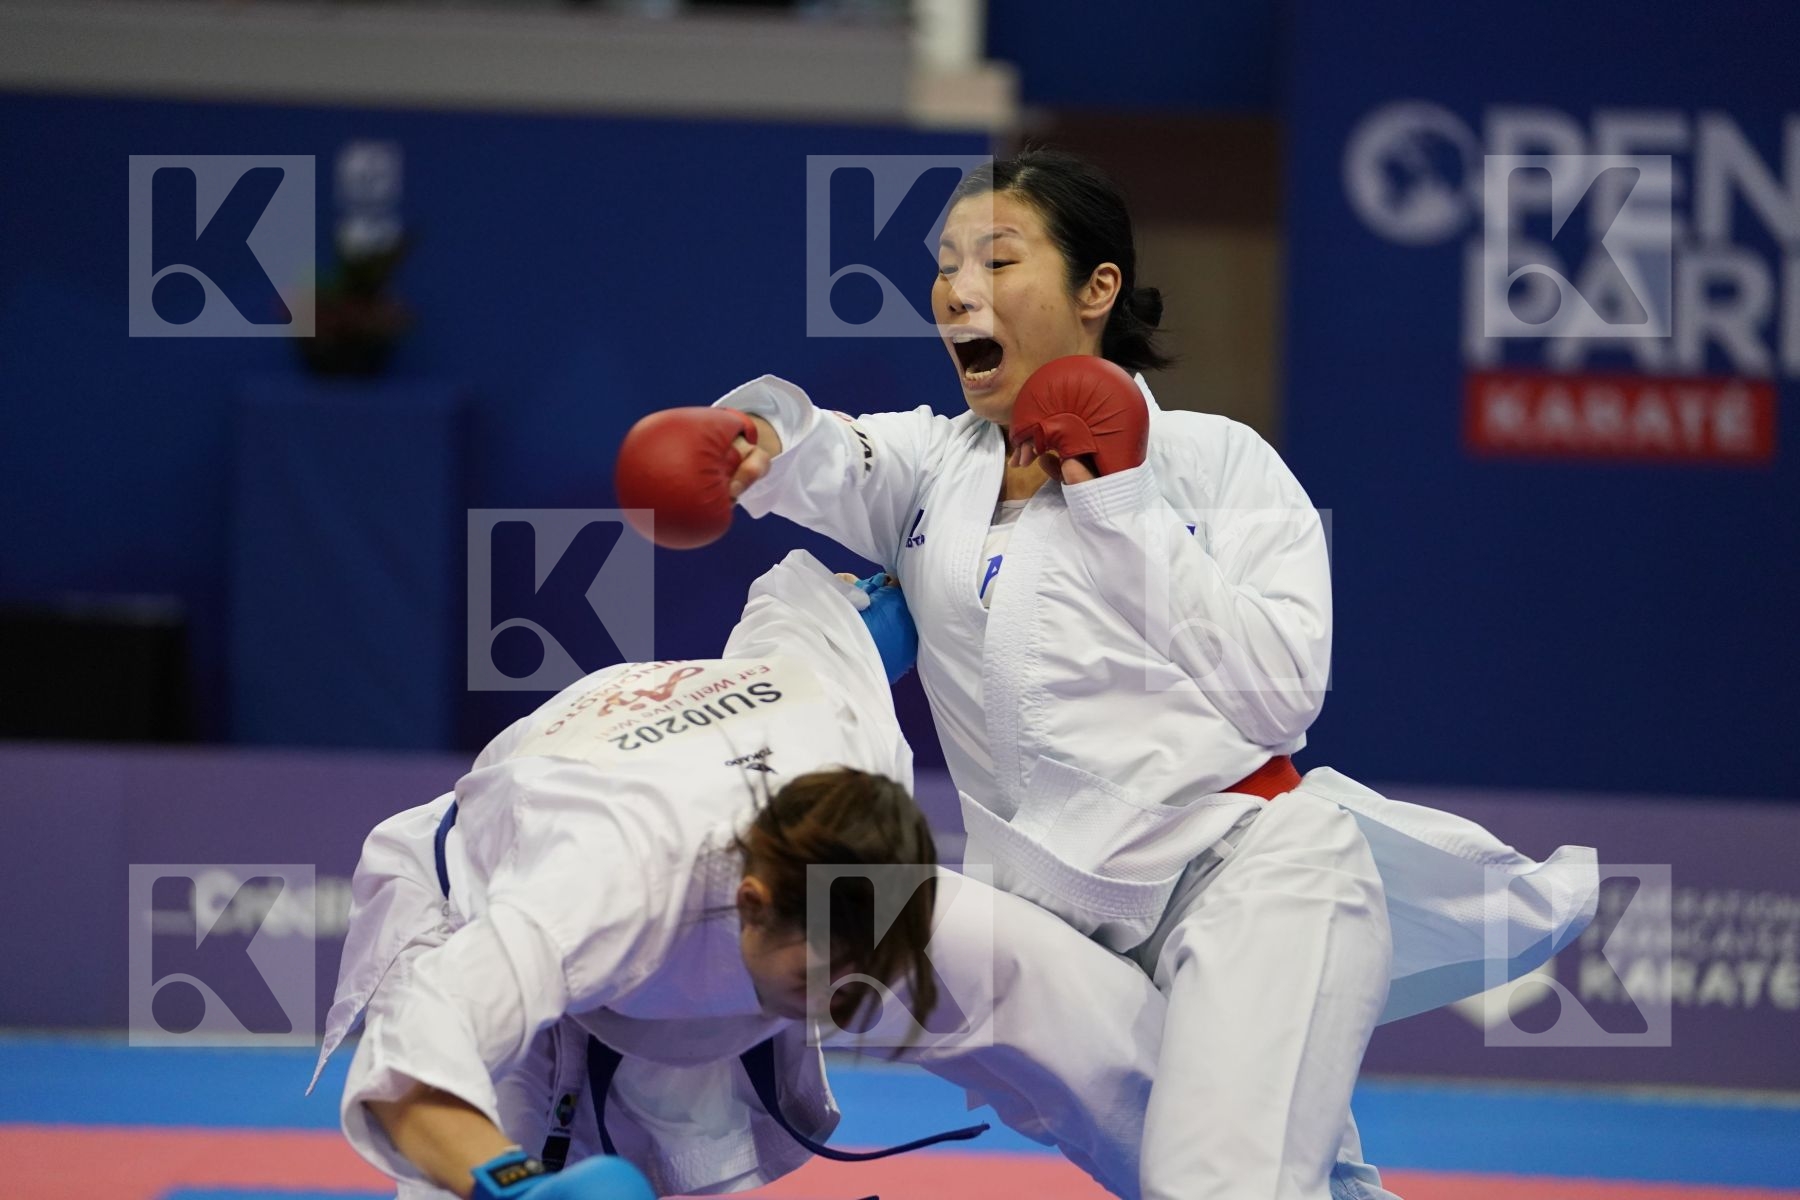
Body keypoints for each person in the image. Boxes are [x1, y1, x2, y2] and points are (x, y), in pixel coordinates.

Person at [622, 150, 1598, 1200]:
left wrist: (1122, 501)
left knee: (1217, 1187)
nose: (956, 289)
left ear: (1099, 290)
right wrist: (754, 439)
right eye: (945, 265)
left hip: (1256, 879)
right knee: (852, 914)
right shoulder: (933, 467)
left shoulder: (1215, 463)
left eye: (996, 259)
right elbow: (830, 454)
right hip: (1059, 930)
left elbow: (1282, 696)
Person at [309, 550, 1176, 1199]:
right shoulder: (605, 881)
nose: (847, 1003)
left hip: (716, 855)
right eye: (826, 974)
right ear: (753, 907)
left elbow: (833, 615)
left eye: (867, 973)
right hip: (497, 882)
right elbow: (415, 1059)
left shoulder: (855, 748)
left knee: (1055, 987)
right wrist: (509, 1183)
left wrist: (959, 574)